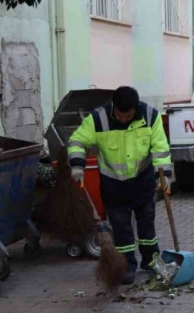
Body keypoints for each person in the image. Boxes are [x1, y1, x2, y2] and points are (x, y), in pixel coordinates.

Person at [67, 86, 172, 284]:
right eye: (120, 115)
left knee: (146, 225)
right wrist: (77, 166)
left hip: (142, 180)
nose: (124, 119)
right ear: (114, 107)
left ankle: (151, 261)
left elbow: (160, 147)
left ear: (136, 109)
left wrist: (165, 174)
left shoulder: (150, 116)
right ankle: (126, 266)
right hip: (113, 183)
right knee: (121, 228)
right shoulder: (98, 119)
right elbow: (77, 141)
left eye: (129, 115)